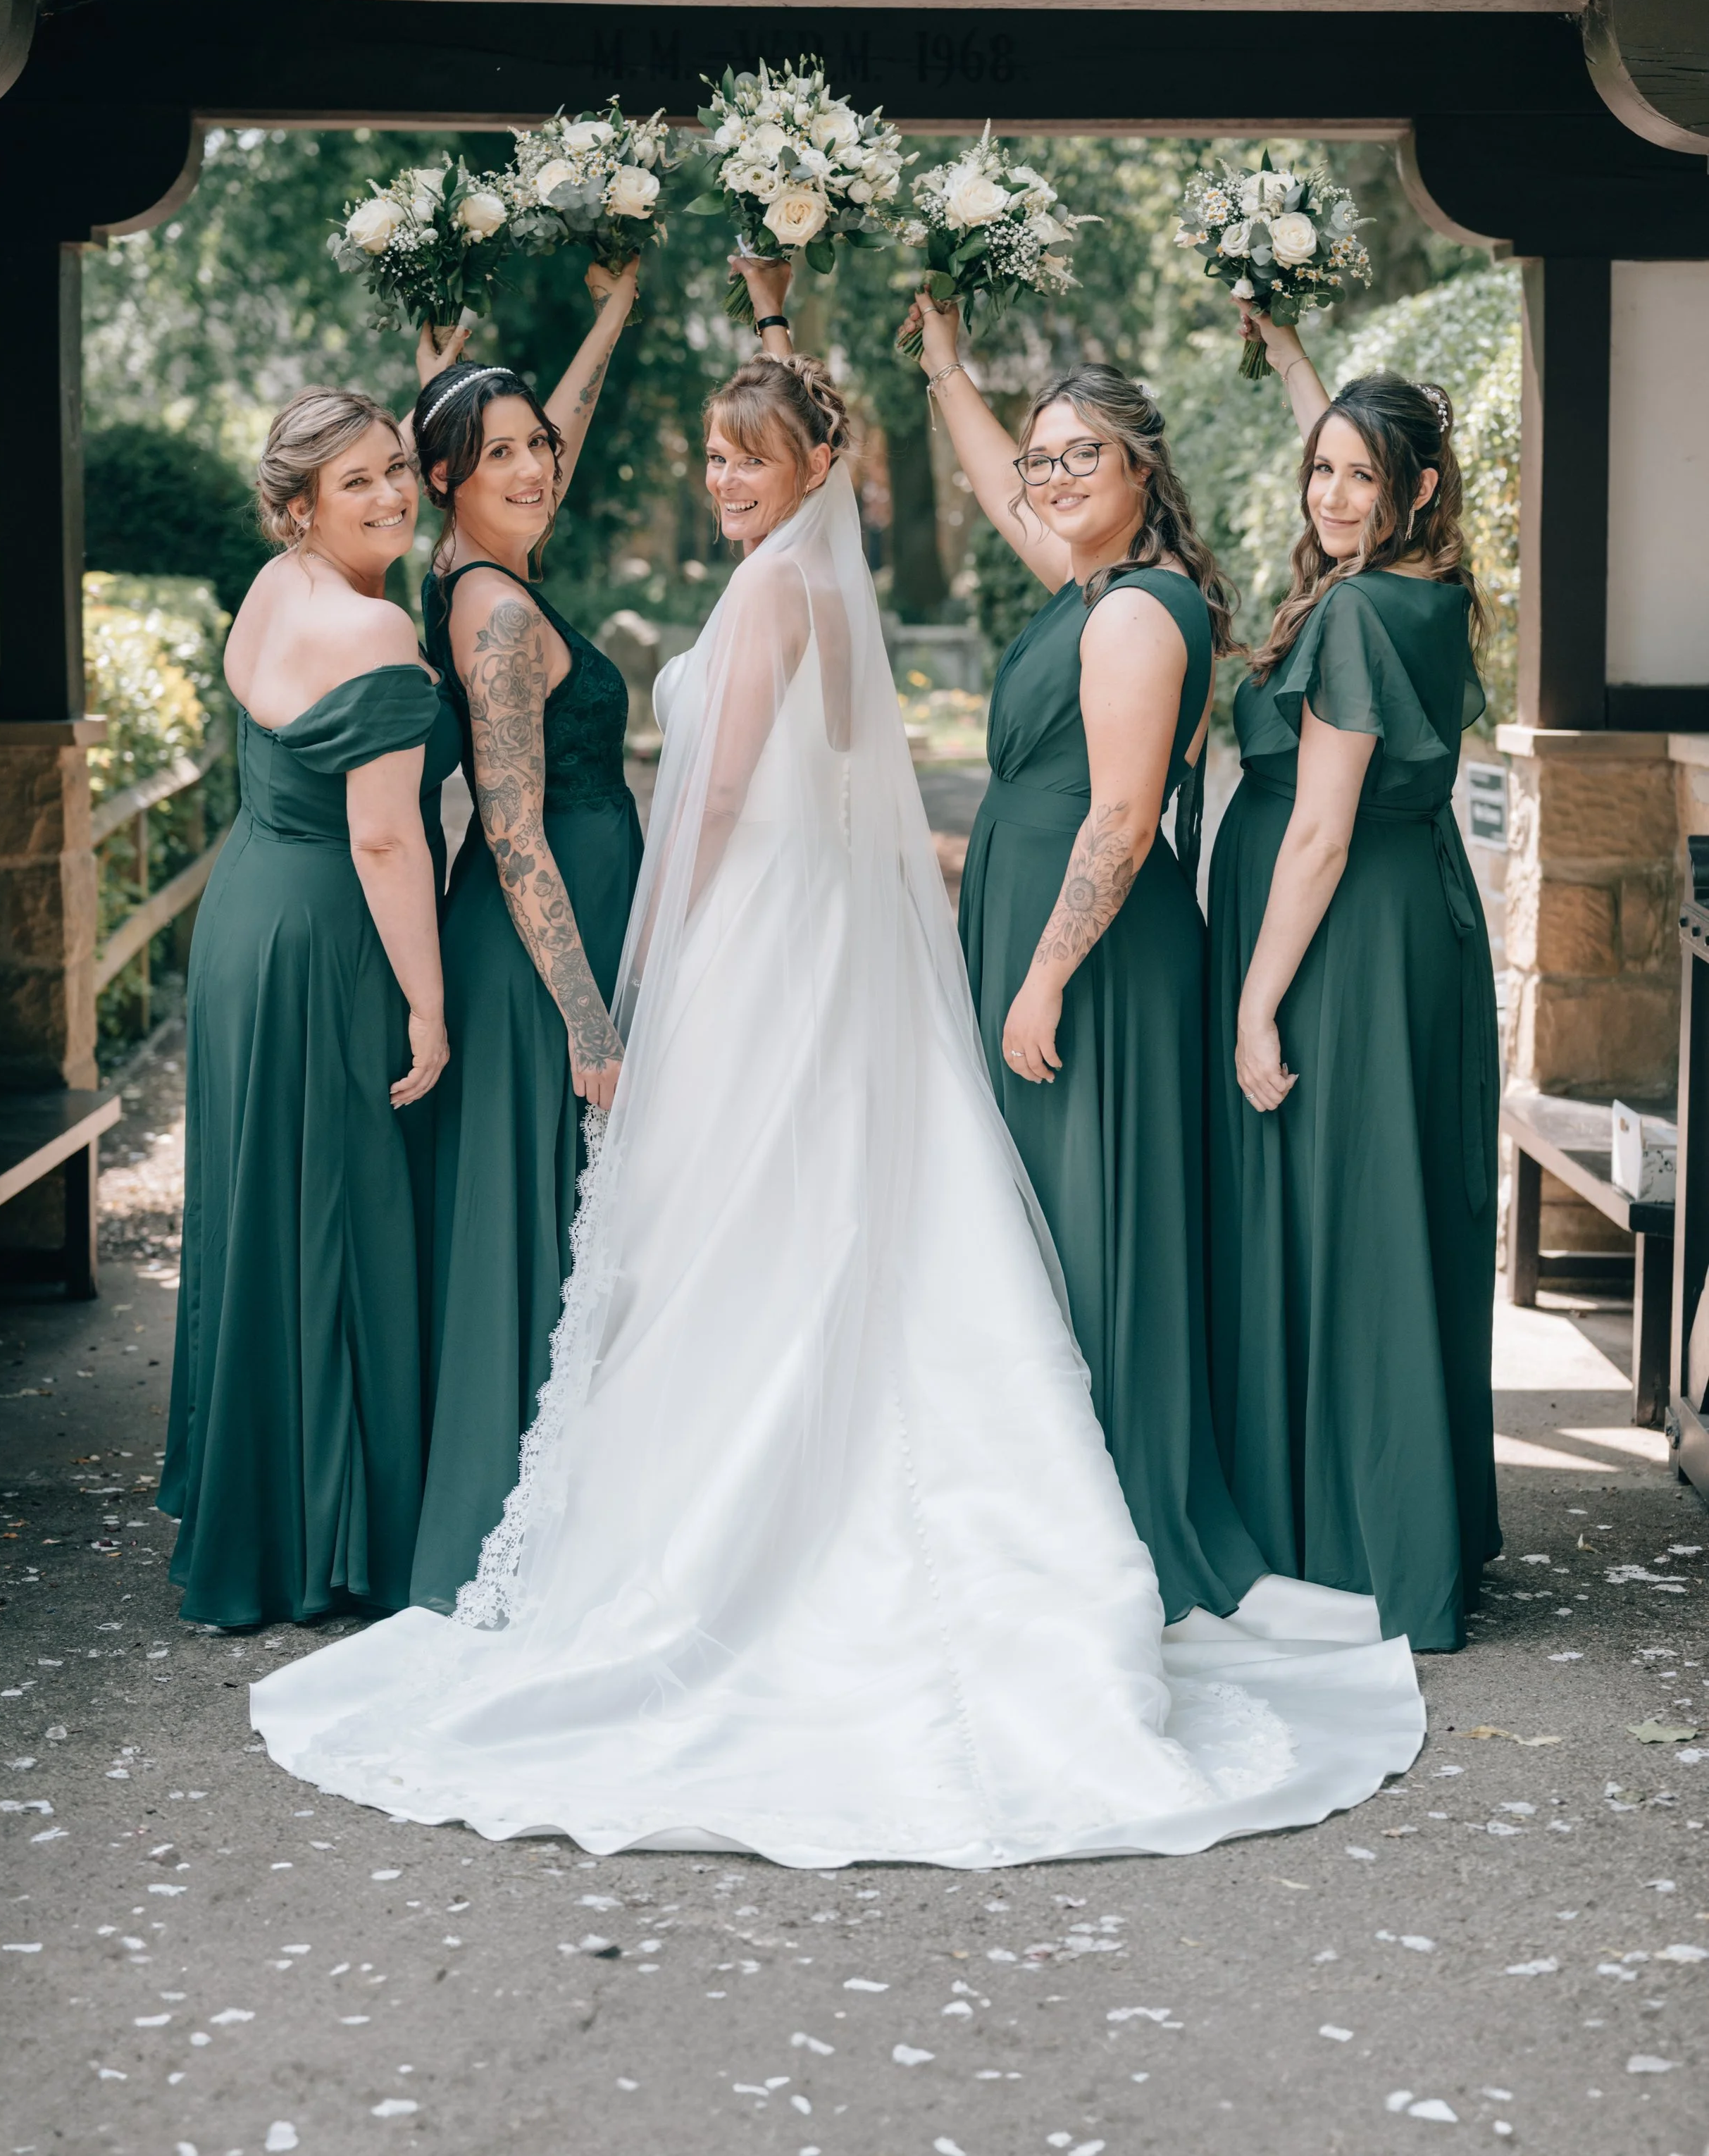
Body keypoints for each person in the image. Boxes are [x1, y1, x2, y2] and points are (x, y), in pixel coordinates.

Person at [250, 264, 1423, 1868]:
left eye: (752, 458)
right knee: (813, 1218)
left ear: (808, 476)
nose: (727, 477)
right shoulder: (802, 583)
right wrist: (788, 340)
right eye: (715, 458)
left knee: (745, 1229)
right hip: (814, 926)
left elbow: (716, 807)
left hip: (754, 931)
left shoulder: (781, 596)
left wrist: (648, 972)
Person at [906, 295, 1266, 1623]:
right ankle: (1049, 1499)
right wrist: (947, 362)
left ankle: (1106, 1519)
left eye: (1080, 456)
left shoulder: (1131, 617)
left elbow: (1120, 821)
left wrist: (1045, 974)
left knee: (1086, 1227)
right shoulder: (1093, 584)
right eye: (1041, 457)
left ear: (1141, 472)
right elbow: (1002, 487)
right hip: (1046, 923)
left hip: (1097, 955)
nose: (1051, 477)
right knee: (1041, 1227)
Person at [1207, 311, 1500, 1654]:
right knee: (1398, 1207)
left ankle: (1357, 1543)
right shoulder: (1428, 595)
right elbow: (1367, 479)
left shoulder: (1360, 615)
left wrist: (1259, 1000)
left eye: (1358, 478)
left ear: (1416, 491)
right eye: (1317, 471)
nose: (1330, 495)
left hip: (1337, 941)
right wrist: (1301, 381)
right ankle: (1414, 1525)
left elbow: (1318, 831)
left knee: (1345, 1219)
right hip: (1419, 926)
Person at [161, 390, 458, 1630]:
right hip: (333, 934)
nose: (393, 496)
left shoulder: (275, 589)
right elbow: (387, 840)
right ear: (299, 507)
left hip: (243, 919)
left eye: (397, 470)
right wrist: (431, 1007)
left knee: (262, 1204)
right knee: (339, 1210)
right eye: (359, 485)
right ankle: (328, 1541)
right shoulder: (377, 631)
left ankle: (259, 1510)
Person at [402, 262, 644, 1611]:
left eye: (538, 449)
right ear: (449, 477)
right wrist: (590, 1020)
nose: (536, 464)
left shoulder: (486, 557)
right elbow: (510, 829)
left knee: (570, 1227)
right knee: (547, 1227)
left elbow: (546, 429)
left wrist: (606, 311)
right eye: (499, 456)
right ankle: (517, 1535)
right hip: (538, 960)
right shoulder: (494, 611)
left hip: (566, 934)